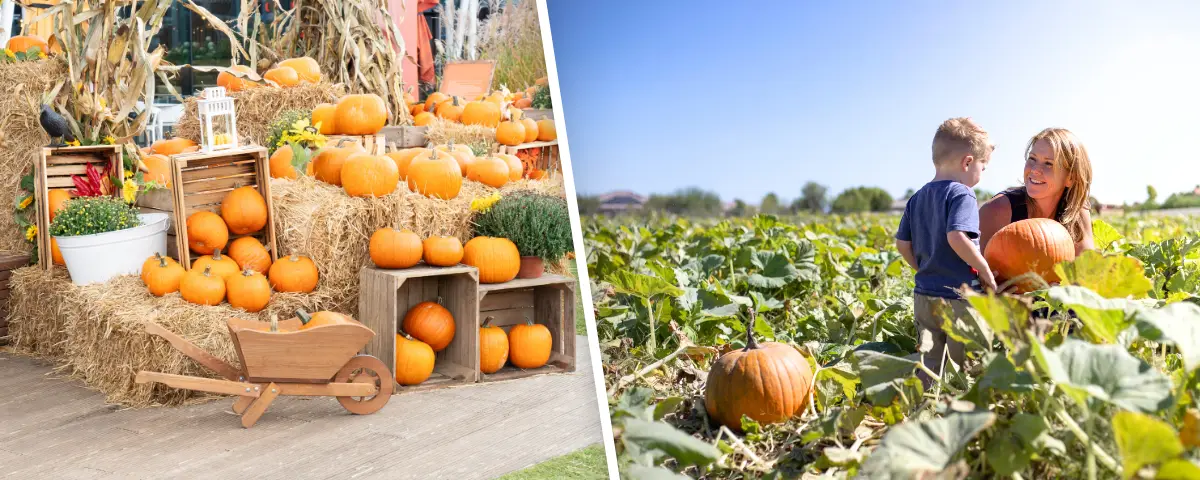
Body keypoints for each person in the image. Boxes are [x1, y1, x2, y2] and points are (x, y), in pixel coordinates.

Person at [894, 117, 997, 389]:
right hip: (957, 296)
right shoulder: (962, 194)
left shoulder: (917, 198)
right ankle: (959, 402)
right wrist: (984, 269)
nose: (981, 174)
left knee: (930, 357)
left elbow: (902, 244)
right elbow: (956, 237)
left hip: (924, 294)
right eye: (982, 167)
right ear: (967, 162)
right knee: (963, 360)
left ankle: (925, 401)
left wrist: (922, 268)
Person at [978, 128, 1095, 260]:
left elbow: (1087, 269)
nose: (1035, 170)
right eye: (1032, 158)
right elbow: (977, 273)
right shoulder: (996, 210)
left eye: (1048, 163)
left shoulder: (1077, 212)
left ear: (1070, 178)